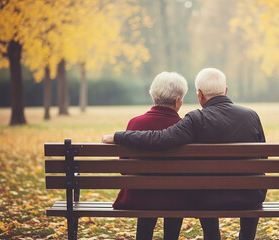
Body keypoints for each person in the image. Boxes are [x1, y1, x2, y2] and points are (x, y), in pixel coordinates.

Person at [103, 68, 267, 240]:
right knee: (242, 188)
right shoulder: (251, 115)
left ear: (200, 94)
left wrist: (118, 136)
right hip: (251, 196)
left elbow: (161, 138)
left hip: (210, 199)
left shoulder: (197, 119)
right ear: (225, 90)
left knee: (205, 190)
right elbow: (263, 158)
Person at [110, 71, 190, 240]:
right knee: (174, 194)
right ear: (178, 101)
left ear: (153, 95)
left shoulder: (135, 123)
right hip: (176, 199)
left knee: (147, 193)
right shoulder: (184, 127)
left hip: (139, 196)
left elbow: (124, 168)